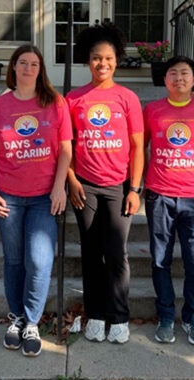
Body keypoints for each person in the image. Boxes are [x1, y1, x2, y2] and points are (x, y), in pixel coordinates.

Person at [0, 45, 72, 357]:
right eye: (23, 63)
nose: (29, 68)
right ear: (14, 67)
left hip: (43, 197)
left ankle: (32, 320)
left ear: (40, 69)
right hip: (8, 196)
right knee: (14, 260)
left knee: (40, 260)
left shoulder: (54, 102)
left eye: (34, 63)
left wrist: (60, 187)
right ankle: (17, 318)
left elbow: (65, 150)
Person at [66, 22, 144, 344]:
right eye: (97, 58)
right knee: (90, 253)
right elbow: (66, 145)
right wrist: (70, 179)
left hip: (117, 187)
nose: (103, 64)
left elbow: (139, 146)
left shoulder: (127, 98)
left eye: (109, 58)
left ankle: (119, 316)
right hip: (84, 186)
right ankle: (95, 314)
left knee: (116, 254)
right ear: (88, 60)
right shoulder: (73, 98)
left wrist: (135, 189)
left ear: (117, 60)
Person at [143, 56, 194, 346]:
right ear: (165, 81)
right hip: (159, 195)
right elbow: (142, 147)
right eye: (172, 73)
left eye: (185, 73)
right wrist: (139, 183)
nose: (178, 77)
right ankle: (166, 317)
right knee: (160, 260)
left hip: (193, 198)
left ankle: (193, 318)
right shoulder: (152, 110)